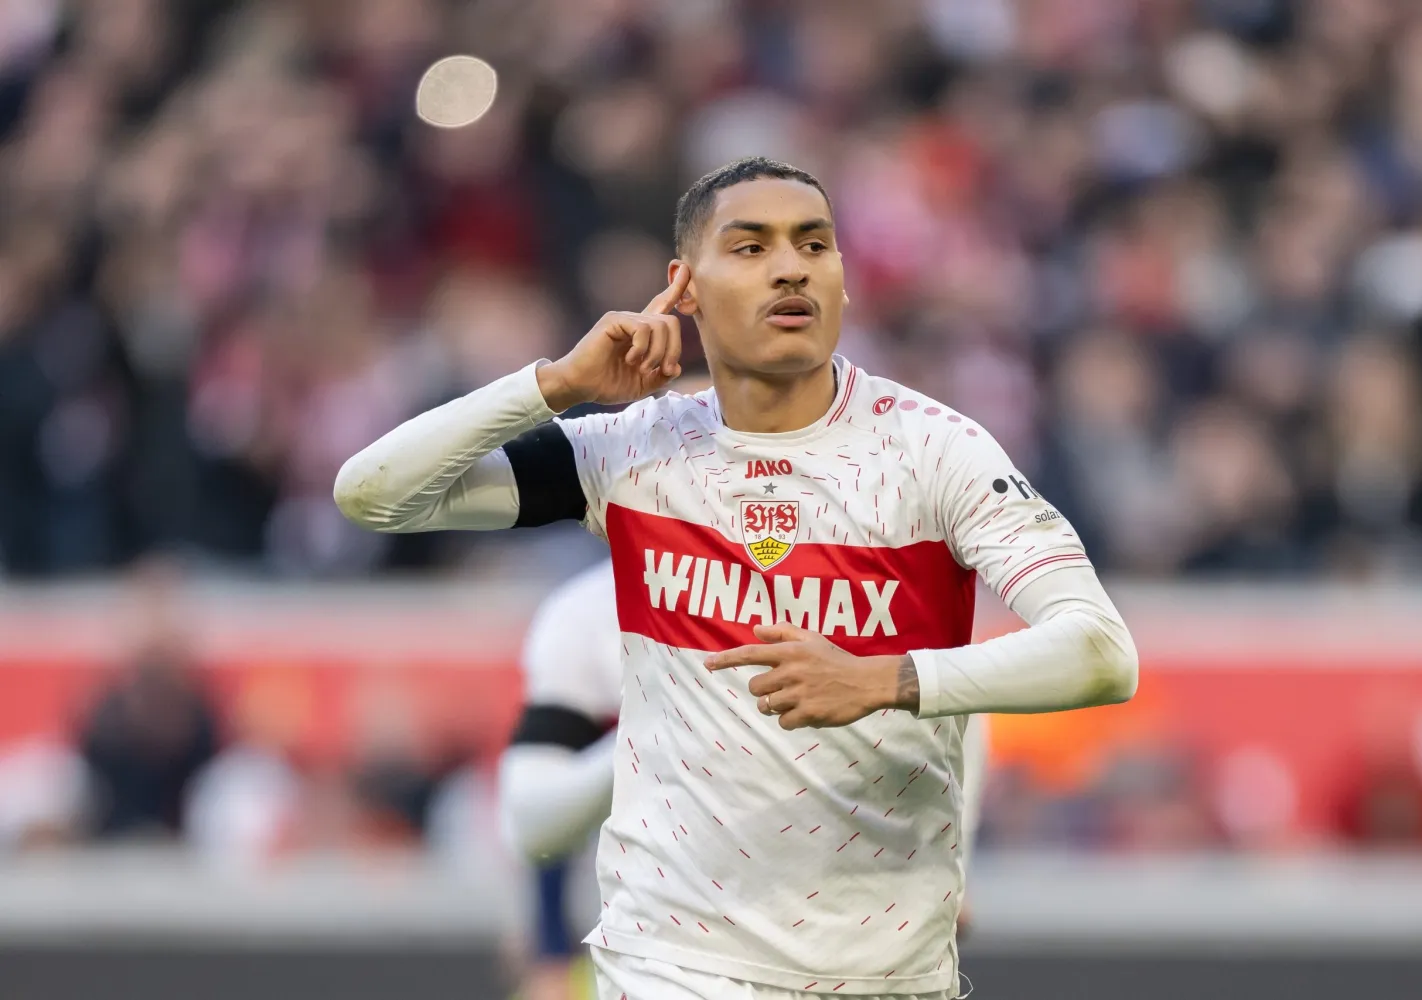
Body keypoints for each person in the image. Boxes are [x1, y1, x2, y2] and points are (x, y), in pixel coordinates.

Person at [336, 156, 1138, 1000]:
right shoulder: (631, 450)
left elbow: (1100, 652)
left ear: (842, 282)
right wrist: (556, 385)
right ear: (684, 288)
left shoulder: (936, 451)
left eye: (814, 245)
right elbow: (373, 494)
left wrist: (885, 680)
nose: (791, 267)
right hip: (667, 965)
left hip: (887, 971)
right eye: (751, 247)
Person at [499, 557, 990, 999]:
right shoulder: (587, 615)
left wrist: (956, 858)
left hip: (853, 942)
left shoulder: (859, 576)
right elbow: (532, 821)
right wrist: (655, 732)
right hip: (668, 949)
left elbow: (942, 697)